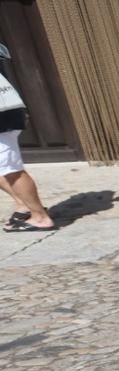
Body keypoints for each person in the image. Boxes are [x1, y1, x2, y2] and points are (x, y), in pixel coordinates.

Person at [0, 43, 54, 233]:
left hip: (2, 119)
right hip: (7, 114)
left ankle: (39, 217)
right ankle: (23, 205)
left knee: (11, 170)